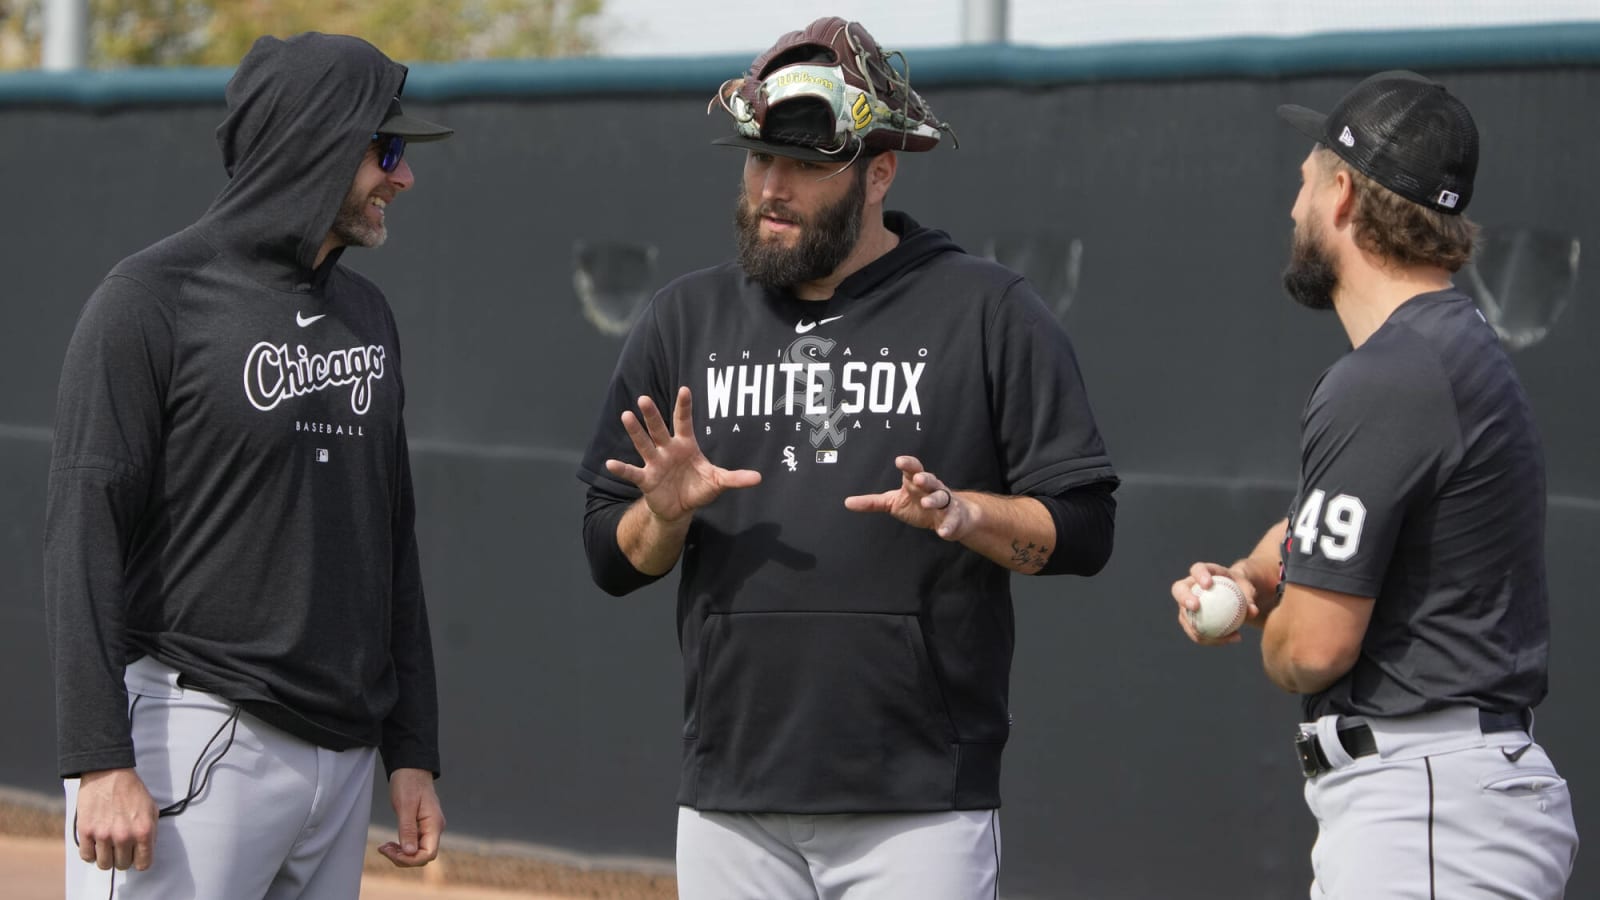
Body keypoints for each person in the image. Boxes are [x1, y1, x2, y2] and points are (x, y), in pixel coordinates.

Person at [578, 17, 1118, 899]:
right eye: (759, 159)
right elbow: (609, 557)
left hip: (918, 809)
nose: (772, 188)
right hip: (730, 802)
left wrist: (968, 514)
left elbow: (1087, 529)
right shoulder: (685, 319)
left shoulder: (987, 312)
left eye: (804, 165)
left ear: (879, 171)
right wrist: (665, 515)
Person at [45, 32, 452, 899]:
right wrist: (98, 761)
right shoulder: (149, 301)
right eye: (386, 150)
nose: (403, 177)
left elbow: (392, 538)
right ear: (315, 144)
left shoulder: (368, 314)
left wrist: (411, 750)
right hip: (192, 735)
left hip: (340, 761)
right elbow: (82, 534)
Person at [1171, 71, 1578, 897]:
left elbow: (1314, 647)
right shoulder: (1443, 349)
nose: (1293, 208)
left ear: (1345, 194)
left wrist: (1273, 629)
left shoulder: (1389, 378)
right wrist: (1253, 577)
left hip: (1429, 808)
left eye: (1306, 181)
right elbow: (1328, 533)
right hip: (1446, 799)